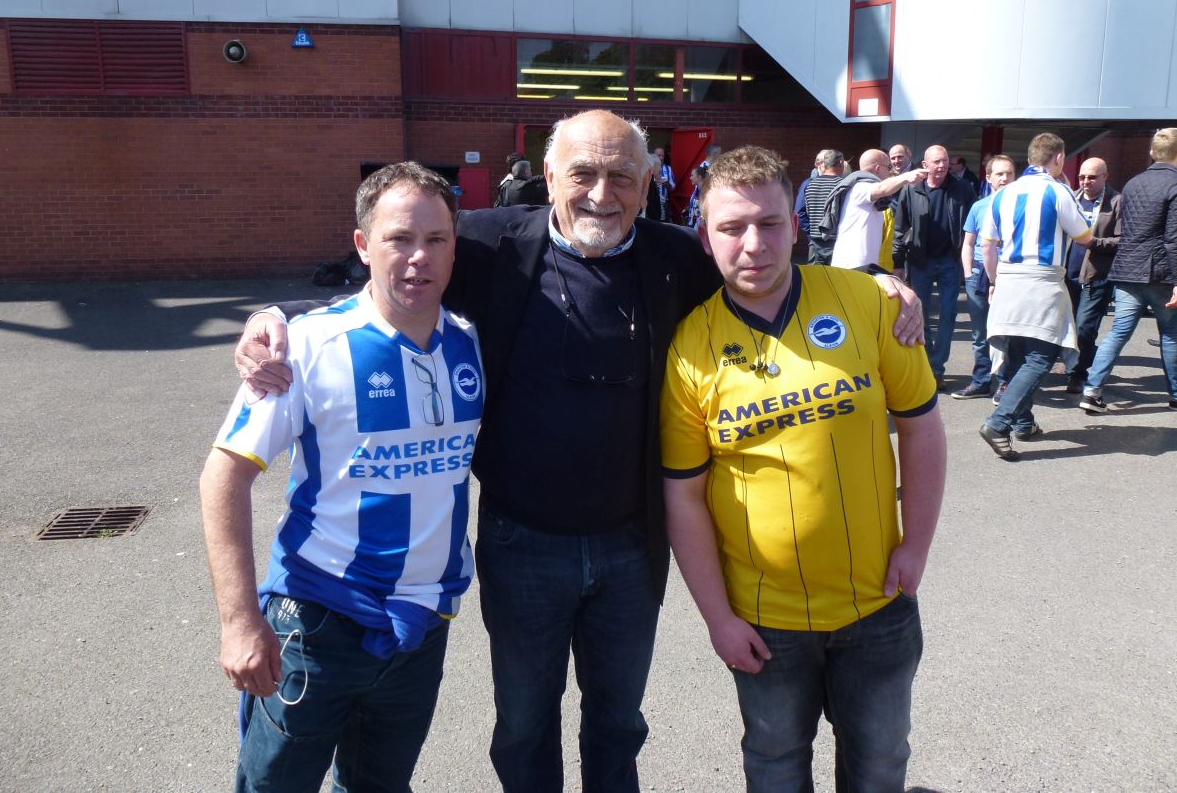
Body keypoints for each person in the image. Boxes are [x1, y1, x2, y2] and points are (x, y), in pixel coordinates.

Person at [233, 110, 924, 792]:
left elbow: (764, 262)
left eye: (622, 175)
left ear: (649, 178)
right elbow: (400, 262)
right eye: (583, 174)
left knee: (617, 723)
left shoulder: (677, 257)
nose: (602, 193)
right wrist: (275, 322)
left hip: (630, 546)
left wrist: (878, 288)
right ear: (549, 177)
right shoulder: (490, 243)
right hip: (521, 542)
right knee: (525, 723)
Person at [660, 145, 946, 790]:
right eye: (732, 228)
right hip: (765, 620)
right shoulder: (688, 351)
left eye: (768, 223)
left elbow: (922, 427)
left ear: (796, 224)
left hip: (877, 602)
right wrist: (717, 619)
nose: (753, 243)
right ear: (706, 240)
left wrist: (916, 547)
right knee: (775, 768)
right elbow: (684, 499)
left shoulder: (867, 302)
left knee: (879, 766)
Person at [200, 162, 484, 791]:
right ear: (362, 245)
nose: (418, 258)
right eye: (398, 239)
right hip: (316, 623)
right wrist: (239, 620)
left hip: (421, 627)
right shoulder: (303, 348)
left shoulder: (469, 342)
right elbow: (223, 478)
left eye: (435, 240)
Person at [978, 134, 1093, 460]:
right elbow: (1084, 237)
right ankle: (999, 423)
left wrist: (994, 281)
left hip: (1007, 280)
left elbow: (988, 244)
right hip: (1042, 282)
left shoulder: (1003, 193)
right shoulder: (1058, 191)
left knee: (1015, 355)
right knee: (1041, 356)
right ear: (1058, 158)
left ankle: (1024, 422)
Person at [1081, 128, 1177, 414]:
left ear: (1151, 152)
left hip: (1127, 268)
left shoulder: (1132, 183)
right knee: (1170, 333)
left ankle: (1092, 390)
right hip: (1161, 273)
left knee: (1119, 331)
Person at [893, 144, 978, 386]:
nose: (942, 166)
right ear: (925, 165)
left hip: (949, 261)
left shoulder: (962, 189)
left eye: (945, 161)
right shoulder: (911, 190)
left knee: (948, 314)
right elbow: (900, 229)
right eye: (937, 162)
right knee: (920, 314)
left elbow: (974, 224)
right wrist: (898, 263)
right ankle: (929, 363)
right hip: (920, 261)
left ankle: (937, 366)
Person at [952, 154, 1016, 400]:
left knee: (1006, 332)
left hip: (1009, 274)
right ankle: (980, 381)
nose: (1004, 178)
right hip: (978, 275)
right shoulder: (979, 207)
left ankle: (1004, 383)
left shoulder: (1021, 207)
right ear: (988, 178)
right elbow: (968, 243)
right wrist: (968, 274)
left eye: (1009, 173)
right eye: (999, 174)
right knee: (980, 334)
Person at [1065, 158, 1120, 394]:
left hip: (1096, 276)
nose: (1086, 182)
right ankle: (1082, 364)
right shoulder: (1070, 199)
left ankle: (1080, 373)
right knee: (1069, 328)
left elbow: (1123, 239)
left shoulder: (1116, 202)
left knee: (1085, 327)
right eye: (1082, 177)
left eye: (1092, 177)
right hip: (1067, 275)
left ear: (1105, 176)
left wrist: (1093, 243)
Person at [828, 149, 927, 269]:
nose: (890, 171)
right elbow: (882, 189)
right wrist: (907, 176)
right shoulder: (860, 187)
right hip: (852, 265)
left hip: (861, 265)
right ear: (878, 168)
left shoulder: (861, 187)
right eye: (889, 167)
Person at [801, 149, 846, 265]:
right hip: (836, 242)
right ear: (841, 163)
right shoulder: (842, 185)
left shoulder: (810, 184)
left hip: (815, 242)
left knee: (815, 279)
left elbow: (807, 212)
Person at [650, 145, 675, 222]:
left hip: (664, 203)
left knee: (663, 223)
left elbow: (673, 188)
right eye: (659, 155)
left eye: (663, 156)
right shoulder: (648, 168)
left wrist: (666, 183)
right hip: (650, 203)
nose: (661, 158)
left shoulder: (668, 168)